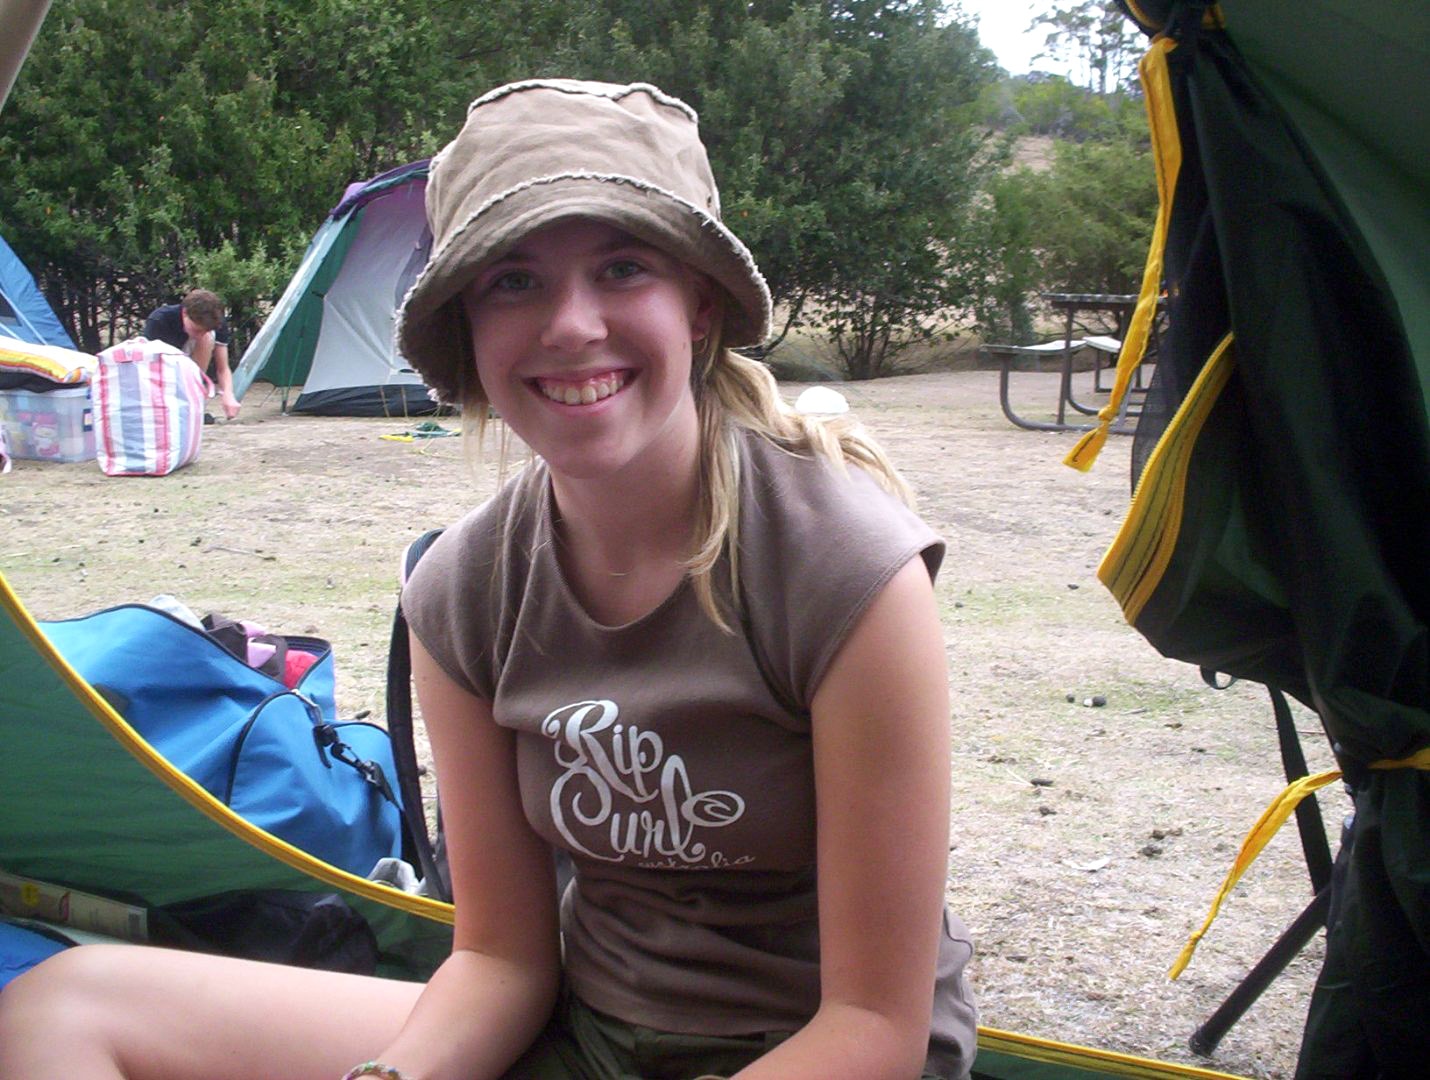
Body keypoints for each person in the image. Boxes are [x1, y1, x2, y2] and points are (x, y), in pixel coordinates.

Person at [0, 79, 977, 1079]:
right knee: (62, 1009)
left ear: (696, 300)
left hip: (813, 1051)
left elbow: (874, 1029)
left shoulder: (843, 572)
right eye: (511, 281)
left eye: (621, 266)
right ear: (466, 328)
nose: (569, 325)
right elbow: (502, 959)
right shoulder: (462, 590)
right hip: (584, 1031)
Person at [143, 287, 241, 419]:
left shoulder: (215, 323)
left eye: (204, 330)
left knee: (208, 338)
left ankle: (193, 400)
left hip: (190, 364)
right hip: (164, 368)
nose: (200, 335)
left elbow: (222, 368)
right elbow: (148, 366)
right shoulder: (160, 320)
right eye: (196, 330)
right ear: (184, 313)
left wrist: (228, 395)